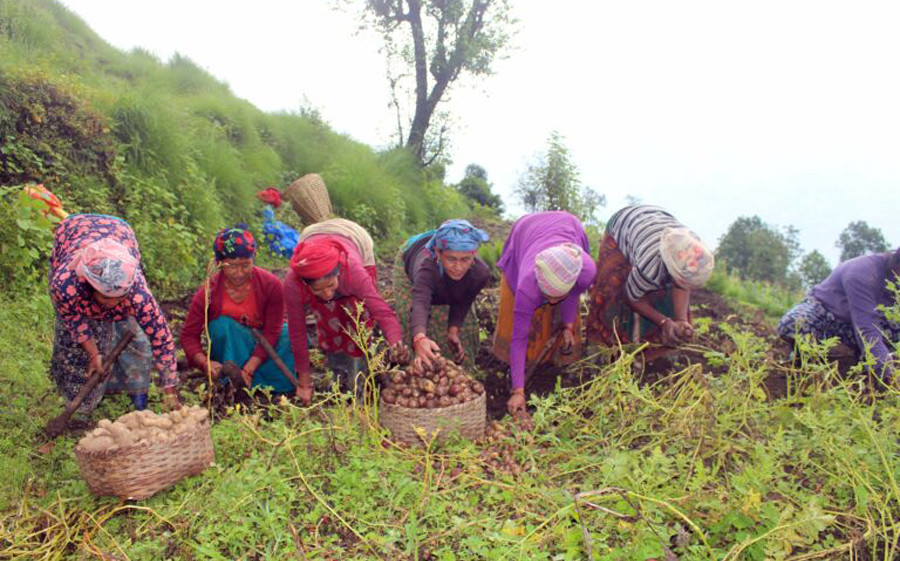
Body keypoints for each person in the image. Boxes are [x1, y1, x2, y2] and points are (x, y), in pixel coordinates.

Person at [48, 214, 179, 417]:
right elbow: (72, 319)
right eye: (106, 298)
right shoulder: (66, 285)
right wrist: (93, 353)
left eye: (119, 299)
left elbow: (161, 340)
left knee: (130, 337)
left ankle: (121, 393)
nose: (112, 304)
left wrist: (169, 388)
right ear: (89, 287)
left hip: (120, 233)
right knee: (73, 344)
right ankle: (74, 402)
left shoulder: (139, 296)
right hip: (74, 231)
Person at [284, 219, 409, 402]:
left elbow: (381, 311)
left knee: (360, 316)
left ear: (338, 273)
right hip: (313, 237)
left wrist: (396, 344)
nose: (326, 294)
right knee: (329, 320)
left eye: (330, 285)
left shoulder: (354, 272)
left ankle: (362, 373)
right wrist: (304, 383)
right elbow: (297, 332)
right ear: (304, 284)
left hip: (355, 237)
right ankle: (339, 371)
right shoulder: (293, 283)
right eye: (318, 289)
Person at [492, 211, 597, 414]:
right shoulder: (527, 284)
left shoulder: (586, 271)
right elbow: (519, 338)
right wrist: (519, 391)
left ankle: (555, 371)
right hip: (525, 232)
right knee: (519, 324)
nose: (551, 302)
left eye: (557, 297)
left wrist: (568, 325)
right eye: (547, 295)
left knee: (566, 321)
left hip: (567, 225)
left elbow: (574, 293)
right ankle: (511, 374)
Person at [586, 205, 714, 362]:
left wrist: (681, 320)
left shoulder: (693, 250)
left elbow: (682, 284)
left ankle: (657, 352)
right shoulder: (649, 267)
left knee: (664, 296)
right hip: (623, 224)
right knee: (609, 288)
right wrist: (664, 321)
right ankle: (600, 347)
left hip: (656, 221)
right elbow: (632, 297)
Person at [180, 227, 297, 396]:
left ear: (253, 259)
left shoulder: (271, 285)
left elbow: (272, 331)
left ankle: (264, 382)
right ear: (219, 264)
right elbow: (188, 335)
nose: (240, 273)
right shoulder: (208, 293)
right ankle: (232, 381)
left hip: (264, 343)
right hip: (234, 348)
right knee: (220, 326)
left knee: (288, 333)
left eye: (245, 265)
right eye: (232, 266)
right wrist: (205, 363)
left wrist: (249, 368)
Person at [777, 248, 900, 382]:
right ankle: (805, 360)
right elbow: (866, 327)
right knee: (793, 324)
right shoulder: (863, 271)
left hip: (859, 327)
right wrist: (889, 377)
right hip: (826, 312)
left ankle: (867, 368)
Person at [393, 219, 491, 373]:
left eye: (465, 259)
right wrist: (419, 338)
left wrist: (453, 329)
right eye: (451, 259)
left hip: (442, 280)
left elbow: (463, 300)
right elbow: (420, 303)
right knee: (413, 322)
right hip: (410, 259)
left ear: (474, 254)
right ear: (438, 253)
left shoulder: (480, 273)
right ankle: (416, 370)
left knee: (464, 330)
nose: (458, 267)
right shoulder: (427, 269)